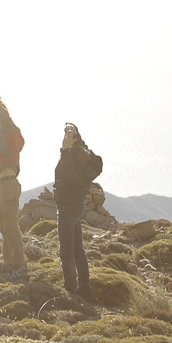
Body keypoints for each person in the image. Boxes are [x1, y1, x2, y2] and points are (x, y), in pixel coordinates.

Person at [53, 123, 102, 298]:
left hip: (67, 209)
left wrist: (65, 151)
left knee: (66, 252)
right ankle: (84, 286)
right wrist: (77, 140)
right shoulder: (86, 158)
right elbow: (97, 165)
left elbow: (71, 179)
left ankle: (71, 289)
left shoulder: (72, 157)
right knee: (77, 249)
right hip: (76, 207)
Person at [0, 94, 27, 272]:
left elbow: (5, 118)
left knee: (10, 224)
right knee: (3, 225)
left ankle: (18, 261)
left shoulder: (11, 134)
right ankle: (8, 260)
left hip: (8, 183)